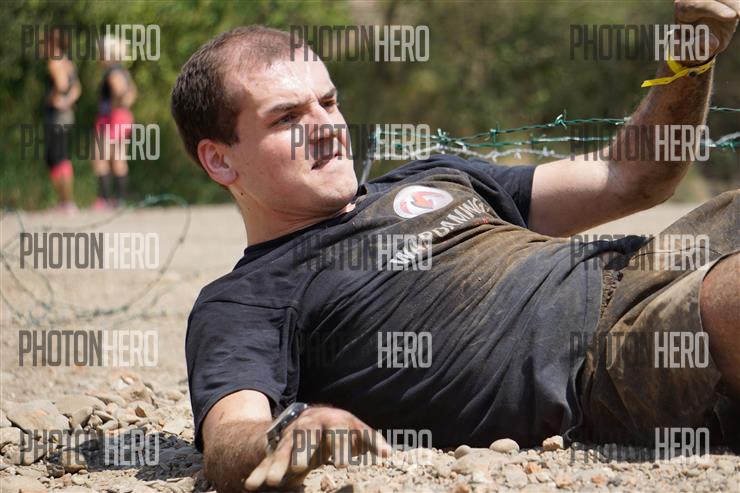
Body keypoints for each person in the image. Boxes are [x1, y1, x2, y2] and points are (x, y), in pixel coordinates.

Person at [171, 2, 739, 491]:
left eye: (329, 102)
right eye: (288, 118)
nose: (328, 127)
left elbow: (632, 176)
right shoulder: (246, 299)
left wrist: (690, 57)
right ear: (219, 159)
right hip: (611, 353)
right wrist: (289, 431)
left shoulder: (433, 175)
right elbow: (229, 438)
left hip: (660, 259)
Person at [91, 35, 137, 210]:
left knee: (100, 157)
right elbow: (132, 92)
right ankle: (120, 200)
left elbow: (120, 91)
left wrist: (115, 106)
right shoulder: (123, 71)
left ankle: (103, 199)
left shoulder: (112, 72)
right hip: (122, 117)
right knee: (118, 158)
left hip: (111, 118)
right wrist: (124, 105)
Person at [44, 27, 81, 214]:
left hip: (56, 115)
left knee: (55, 158)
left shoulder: (55, 61)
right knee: (61, 156)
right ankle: (66, 202)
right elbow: (77, 88)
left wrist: (53, 98)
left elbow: (62, 84)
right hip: (67, 114)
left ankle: (66, 202)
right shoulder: (68, 61)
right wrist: (68, 101)